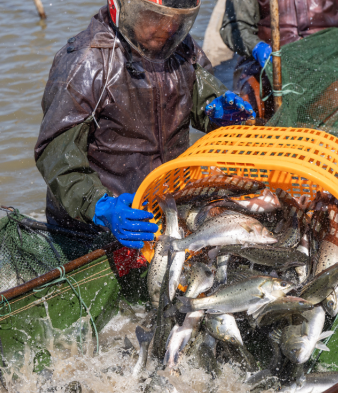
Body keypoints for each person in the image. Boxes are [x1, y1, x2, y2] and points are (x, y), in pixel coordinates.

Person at [34, 0, 255, 250]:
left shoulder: (179, 46)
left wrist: (216, 110)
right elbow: (56, 155)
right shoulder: (86, 62)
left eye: (176, 20)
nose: (168, 27)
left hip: (166, 207)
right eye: (154, 17)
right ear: (122, 7)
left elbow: (199, 97)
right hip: (101, 224)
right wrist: (99, 206)